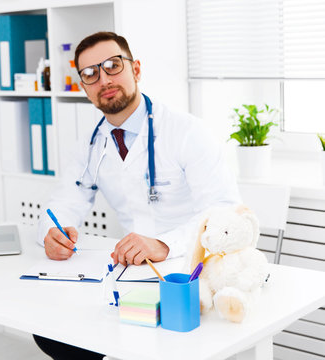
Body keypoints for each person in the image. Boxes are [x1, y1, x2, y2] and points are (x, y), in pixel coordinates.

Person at [34, 31, 240, 359]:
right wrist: (53, 232)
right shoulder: (89, 144)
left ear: (136, 69)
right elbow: (63, 203)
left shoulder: (187, 132)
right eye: (90, 73)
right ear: (84, 87)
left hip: (191, 272)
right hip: (132, 274)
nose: (103, 79)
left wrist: (164, 243)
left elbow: (225, 212)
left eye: (113, 65)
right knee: (54, 335)